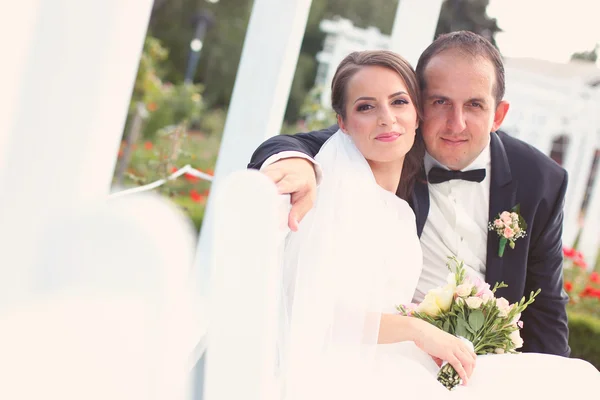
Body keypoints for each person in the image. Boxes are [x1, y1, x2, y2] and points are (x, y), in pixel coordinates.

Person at [275, 49, 599, 400]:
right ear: (423, 109)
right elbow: (300, 144)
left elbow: (546, 305)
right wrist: (289, 159)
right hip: (377, 359)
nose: (456, 123)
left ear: (498, 114)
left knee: (576, 380)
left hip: (455, 358)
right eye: (441, 102)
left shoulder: (538, 178)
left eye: (474, 105)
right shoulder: (366, 161)